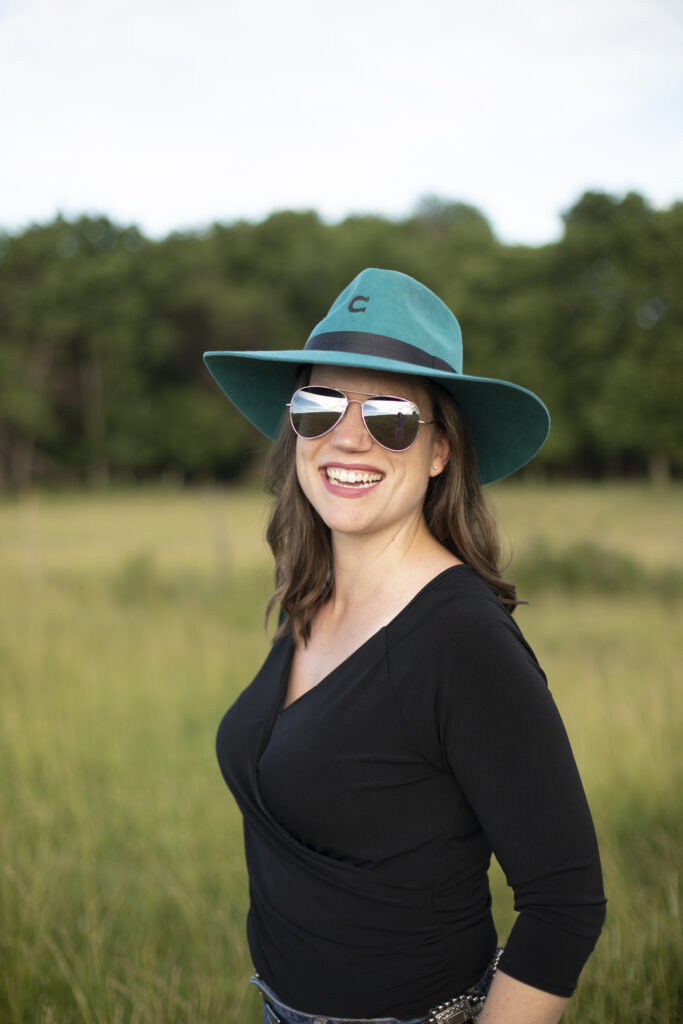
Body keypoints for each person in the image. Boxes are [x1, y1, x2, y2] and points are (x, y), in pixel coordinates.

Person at [204, 269, 606, 1024]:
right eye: (319, 406)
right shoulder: (312, 597)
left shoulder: (462, 640)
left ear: (438, 452)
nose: (347, 436)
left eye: (389, 415)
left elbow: (565, 905)